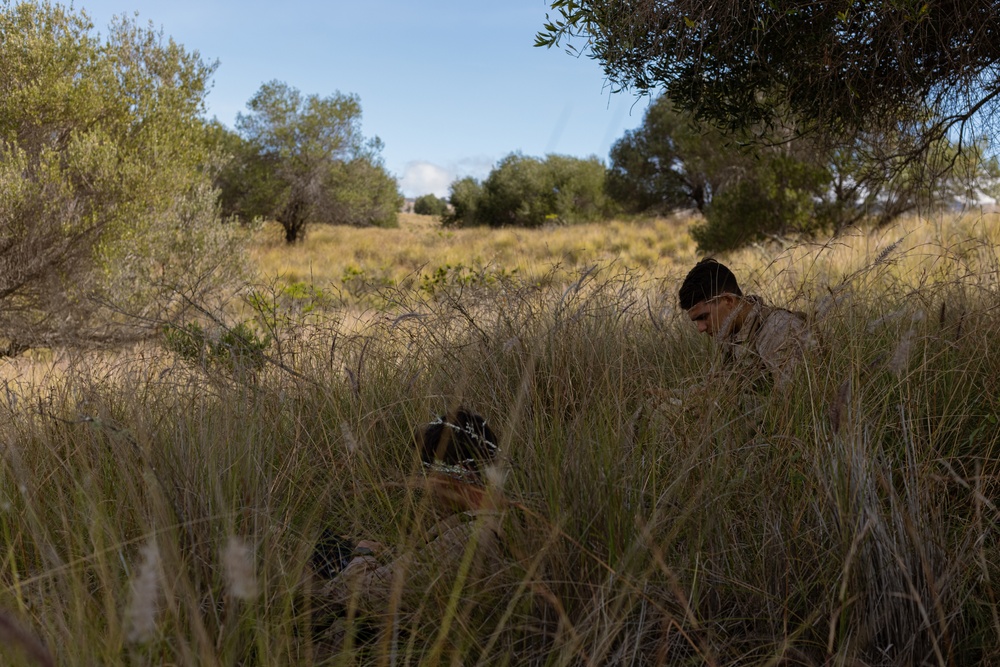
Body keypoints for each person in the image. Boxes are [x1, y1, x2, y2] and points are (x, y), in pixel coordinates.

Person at [678, 258, 816, 387]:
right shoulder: (730, 331)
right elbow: (713, 389)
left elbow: (796, 403)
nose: (700, 328)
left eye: (703, 316)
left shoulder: (781, 331)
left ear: (728, 300)